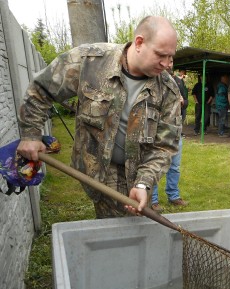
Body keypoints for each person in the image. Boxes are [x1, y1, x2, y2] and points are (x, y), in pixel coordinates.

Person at [16, 16, 181, 218]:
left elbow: (164, 146)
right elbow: (41, 89)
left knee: (125, 230)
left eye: (170, 57)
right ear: (139, 43)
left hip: (137, 171)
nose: (166, 64)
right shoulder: (90, 62)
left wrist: (143, 182)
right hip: (95, 169)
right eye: (160, 55)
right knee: (120, 231)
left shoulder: (168, 90)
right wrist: (31, 135)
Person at [151, 60, 188, 212]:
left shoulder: (178, 81)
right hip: (157, 131)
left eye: (171, 61)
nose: (168, 64)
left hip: (176, 131)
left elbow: (185, 101)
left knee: (175, 167)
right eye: (166, 61)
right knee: (154, 166)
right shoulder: (151, 81)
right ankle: (152, 199)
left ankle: (173, 195)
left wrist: (182, 102)